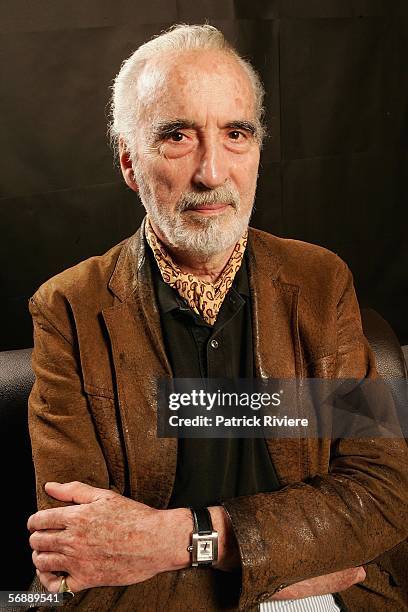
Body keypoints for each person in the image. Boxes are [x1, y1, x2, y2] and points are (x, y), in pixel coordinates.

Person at [27, 24, 408, 611]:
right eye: (177, 136)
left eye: (236, 134)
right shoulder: (68, 310)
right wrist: (280, 572)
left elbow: (385, 494)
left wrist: (185, 538)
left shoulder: (319, 282)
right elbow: (77, 558)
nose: (211, 172)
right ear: (130, 162)